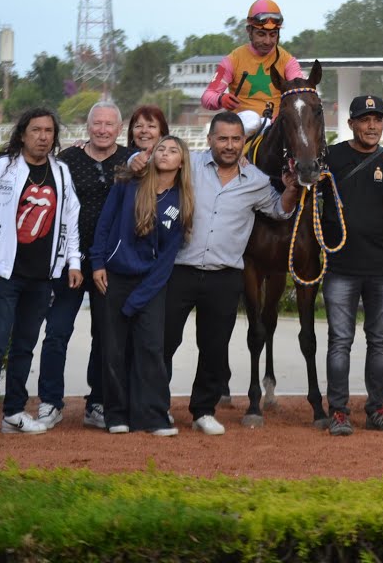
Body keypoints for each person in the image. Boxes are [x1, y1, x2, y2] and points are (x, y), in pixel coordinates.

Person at [164, 111, 302, 436]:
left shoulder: (255, 180)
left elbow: (280, 209)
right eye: (222, 138)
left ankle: (203, 410)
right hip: (179, 270)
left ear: (244, 141)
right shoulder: (189, 165)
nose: (229, 146)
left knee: (214, 347)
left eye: (235, 139)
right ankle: (155, 406)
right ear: (210, 139)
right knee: (163, 342)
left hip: (224, 275)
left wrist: (292, 189)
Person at [0, 108, 82, 439]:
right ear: (22, 134)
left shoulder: (60, 172)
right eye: (36, 130)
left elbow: (70, 221)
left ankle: (15, 412)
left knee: (24, 346)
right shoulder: (4, 169)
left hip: (42, 277)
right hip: (4, 274)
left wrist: (73, 263)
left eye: (48, 131)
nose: (43, 136)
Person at [320, 95, 383, 436]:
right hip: (340, 267)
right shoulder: (330, 157)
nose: (372, 126)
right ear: (351, 124)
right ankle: (339, 412)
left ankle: (376, 409)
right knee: (340, 341)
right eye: (365, 119)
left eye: (377, 119)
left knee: (379, 342)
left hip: (382, 268)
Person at [37, 101, 134, 431]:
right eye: (97, 123)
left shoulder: (130, 161)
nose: (103, 130)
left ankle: (98, 403)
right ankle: (50, 402)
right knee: (57, 332)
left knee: (106, 337)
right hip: (71, 262)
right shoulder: (68, 161)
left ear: (120, 129)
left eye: (110, 124)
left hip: (111, 264)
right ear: (87, 126)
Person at [89, 136, 195, 436]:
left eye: (173, 150)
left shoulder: (180, 201)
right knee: (113, 350)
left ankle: (153, 416)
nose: (165, 153)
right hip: (112, 278)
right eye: (161, 148)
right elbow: (105, 224)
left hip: (150, 284)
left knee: (150, 349)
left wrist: (138, 299)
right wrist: (98, 262)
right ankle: (116, 415)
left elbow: (166, 259)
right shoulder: (128, 183)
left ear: (182, 161)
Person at [201, 0, 304, 136]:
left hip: (276, 131)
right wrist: (221, 99)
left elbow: (301, 93)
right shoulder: (232, 60)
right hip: (242, 131)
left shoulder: (288, 62)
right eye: (261, 34)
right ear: (249, 31)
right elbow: (207, 96)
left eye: (273, 35)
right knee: (251, 119)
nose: (268, 41)